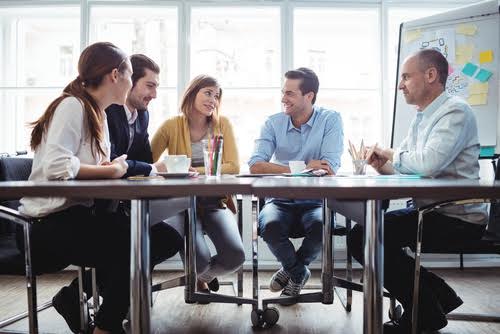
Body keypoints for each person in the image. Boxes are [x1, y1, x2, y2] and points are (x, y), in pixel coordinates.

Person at [19, 42, 183, 334]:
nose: (132, 84)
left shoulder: (99, 114)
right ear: (114, 76)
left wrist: (113, 168)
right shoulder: (72, 105)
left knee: (153, 239)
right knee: (131, 246)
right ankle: (106, 326)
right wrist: (112, 169)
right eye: (131, 76)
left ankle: (91, 309)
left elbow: (102, 166)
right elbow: (59, 166)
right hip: (44, 224)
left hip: (81, 215)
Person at [347, 49, 488, 333]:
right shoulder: (422, 117)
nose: (401, 85)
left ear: (431, 75)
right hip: (431, 210)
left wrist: (389, 153)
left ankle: (427, 310)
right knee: (364, 236)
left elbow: (428, 163)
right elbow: (409, 170)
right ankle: (435, 299)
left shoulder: (456, 111)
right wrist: (383, 166)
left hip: (457, 217)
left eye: (406, 77)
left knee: (365, 237)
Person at [248, 67, 344, 301]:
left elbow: (329, 166)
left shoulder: (330, 119)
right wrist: (302, 167)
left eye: (290, 93)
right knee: (269, 226)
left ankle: (290, 269)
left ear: (309, 96)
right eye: (283, 92)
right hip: (279, 199)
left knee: (322, 226)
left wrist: (287, 168)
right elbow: (256, 165)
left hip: (315, 201)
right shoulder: (272, 123)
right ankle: (299, 273)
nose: (283, 99)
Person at [151, 74, 245, 293]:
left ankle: (200, 277)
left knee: (235, 257)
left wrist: (190, 171)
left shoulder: (223, 125)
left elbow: (233, 167)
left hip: (214, 202)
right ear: (192, 93)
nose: (213, 99)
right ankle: (198, 274)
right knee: (199, 262)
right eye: (208, 93)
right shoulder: (171, 126)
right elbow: (147, 164)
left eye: (217, 95)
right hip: (181, 205)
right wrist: (168, 167)